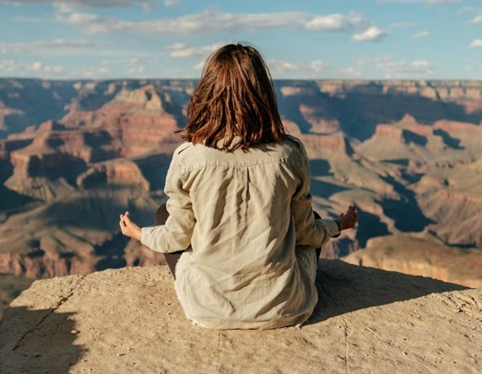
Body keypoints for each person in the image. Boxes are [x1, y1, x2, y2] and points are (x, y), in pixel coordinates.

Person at [119, 43, 358, 329]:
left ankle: (214, 293)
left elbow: (176, 238)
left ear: (208, 93)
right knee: (314, 219)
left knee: (164, 215)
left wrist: (138, 233)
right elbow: (306, 234)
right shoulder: (289, 153)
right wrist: (338, 225)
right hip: (285, 308)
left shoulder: (188, 156)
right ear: (263, 94)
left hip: (207, 309)